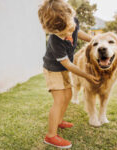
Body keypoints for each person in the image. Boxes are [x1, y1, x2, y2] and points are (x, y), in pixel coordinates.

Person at [38, 0, 100, 148]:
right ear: (52, 32)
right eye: (63, 33)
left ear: (71, 17)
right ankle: (51, 136)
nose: (68, 34)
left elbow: (77, 31)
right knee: (59, 99)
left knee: (69, 95)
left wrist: (93, 40)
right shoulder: (55, 41)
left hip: (63, 68)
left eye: (69, 29)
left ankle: (59, 121)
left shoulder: (72, 21)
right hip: (53, 69)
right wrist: (86, 75)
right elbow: (68, 64)